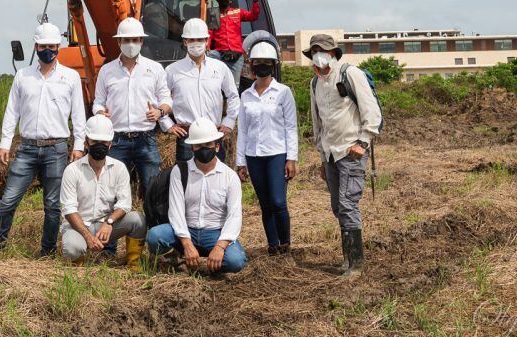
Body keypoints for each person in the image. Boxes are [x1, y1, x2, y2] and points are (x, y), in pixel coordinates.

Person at [0, 22, 87, 257]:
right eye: (43, 46)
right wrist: (5, 143)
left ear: (59, 47)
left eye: (52, 46)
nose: (48, 50)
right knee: (8, 200)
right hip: (27, 148)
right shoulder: (22, 76)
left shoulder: (71, 77)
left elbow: (78, 114)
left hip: (56, 148)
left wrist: (78, 146)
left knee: (53, 205)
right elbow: (11, 111)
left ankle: (47, 250)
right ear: (36, 46)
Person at [306, 33, 382, 276]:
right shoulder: (315, 83)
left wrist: (363, 142)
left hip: (350, 150)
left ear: (333, 53)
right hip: (330, 153)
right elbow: (318, 121)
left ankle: (356, 263)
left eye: (323, 51)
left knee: (348, 204)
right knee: (338, 206)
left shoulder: (350, 74)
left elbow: (371, 110)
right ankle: (348, 259)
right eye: (315, 51)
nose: (319, 56)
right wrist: (321, 155)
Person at [146, 118, 247, 274]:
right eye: (199, 145)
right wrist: (186, 243)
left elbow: (234, 216)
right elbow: (176, 211)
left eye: (208, 145)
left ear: (217, 146)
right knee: (155, 236)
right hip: (186, 230)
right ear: (192, 148)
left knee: (236, 261)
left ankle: (207, 266)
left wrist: (220, 247)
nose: (203, 149)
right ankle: (178, 261)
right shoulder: (180, 171)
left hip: (215, 233)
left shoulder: (230, 176)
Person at [93, 17, 172, 198]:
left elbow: (167, 99)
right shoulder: (107, 71)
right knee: (113, 193)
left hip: (146, 139)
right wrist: (99, 112)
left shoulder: (155, 69)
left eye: (134, 40)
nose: (130, 44)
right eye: (126, 40)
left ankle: (153, 225)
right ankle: (118, 225)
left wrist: (160, 111)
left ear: (141, 41)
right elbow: (97, 102)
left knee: (153, 191)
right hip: (116, 140)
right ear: (119, 41)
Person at [60, 115, 147, 270]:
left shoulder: (119, 168)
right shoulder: (72, 170)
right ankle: (78, 266)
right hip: (78, 225)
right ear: (86, 142)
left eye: (103, 142)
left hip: (105, 226)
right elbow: (69, 209)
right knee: (73, 249)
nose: (99, 145)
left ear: (110, 144)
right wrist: (87, 236)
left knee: (137, 220)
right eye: (94, 142)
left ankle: (134, 265)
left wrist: (109, 223)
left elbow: (124, 203)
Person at [235, 42, 298, 255]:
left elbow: (291, 127)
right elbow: (242, 130)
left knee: (278, 201)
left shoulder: (283, 92)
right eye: (258, 62)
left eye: (266, 63)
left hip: (277, 154)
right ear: (251, 65)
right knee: (265, 203)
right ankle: (272, 245)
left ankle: (285, 244)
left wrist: (292, 158)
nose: (262, 66)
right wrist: (240, 162)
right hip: (254, 156)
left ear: (273, 65)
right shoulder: (246, 95)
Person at [159, 18, 239, 163]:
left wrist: (229, 120)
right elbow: (160, 97)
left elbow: (233, 96)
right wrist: (167, 124)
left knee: (216, 179)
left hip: (213, 134)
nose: (196, 43)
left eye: (200, 39)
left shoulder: (219, 68)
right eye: (191, 40)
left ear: (206, 40)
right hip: (187, 135)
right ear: (185, 42)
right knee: (187, 180)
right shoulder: (173, 70)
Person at [207, 0, 260, 82]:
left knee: (235, 85)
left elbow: (253, 16)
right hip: (220, 54)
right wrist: (206, 46)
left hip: (237, 55)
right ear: (217, 0)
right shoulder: (213, 14)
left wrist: (255, 1)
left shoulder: (237, 12)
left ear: (230, 0)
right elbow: (210, 32)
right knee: (209, 55)